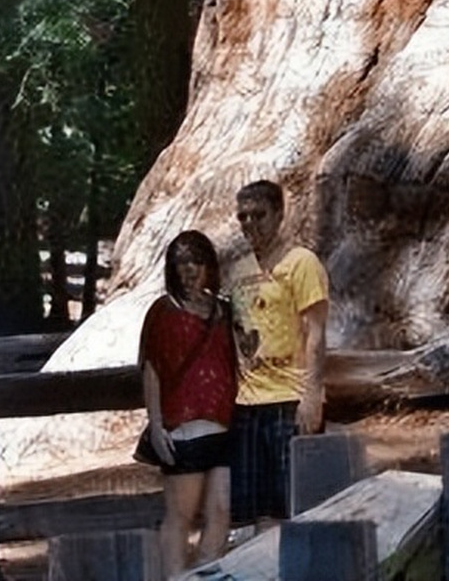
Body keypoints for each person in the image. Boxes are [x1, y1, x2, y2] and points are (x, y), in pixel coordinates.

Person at [227, 179, 330, 528]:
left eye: (259, 215)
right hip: (247, 402)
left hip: (290, 398)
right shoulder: (238, 271)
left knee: (296, 504)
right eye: (243, 217)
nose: (250, 224)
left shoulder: (301, 263)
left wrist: (312, 396)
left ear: (280, 214)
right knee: (258, 511)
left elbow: (315, 331)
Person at [138, 230, 237, 574]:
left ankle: (205, 573)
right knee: (180, 517)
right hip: (183, 429)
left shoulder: (224, 310)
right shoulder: (164, 312)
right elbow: (152, 368)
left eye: (196, 260)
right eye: (180, 262)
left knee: (222, 513)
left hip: (224, 425)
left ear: (210, 265)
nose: (189, 269)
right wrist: (156, 423)